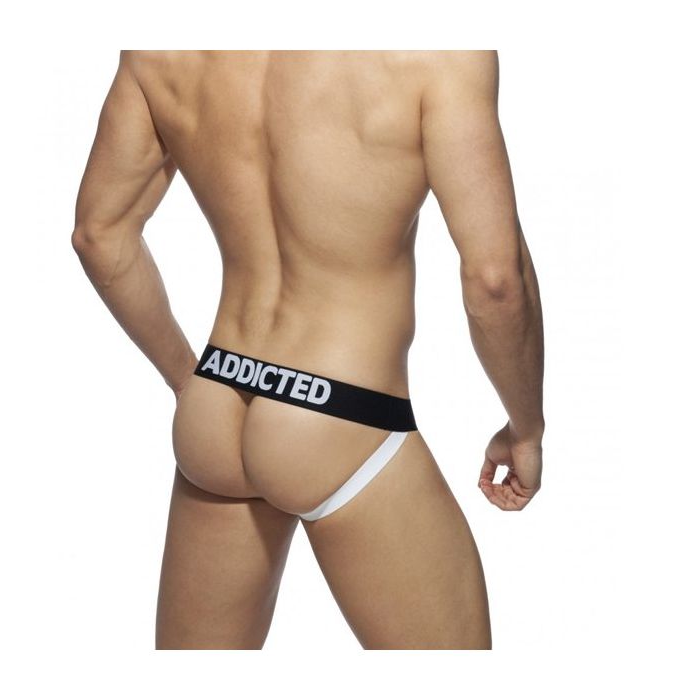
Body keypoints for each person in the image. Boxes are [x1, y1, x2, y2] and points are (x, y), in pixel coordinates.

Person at [71, 49, 544, 650]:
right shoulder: (435, 52)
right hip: (345, 414)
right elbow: (496, 281)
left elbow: (98, 234)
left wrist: (186, 379)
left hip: (218, 399)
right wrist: (525, 427)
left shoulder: (162, 47)